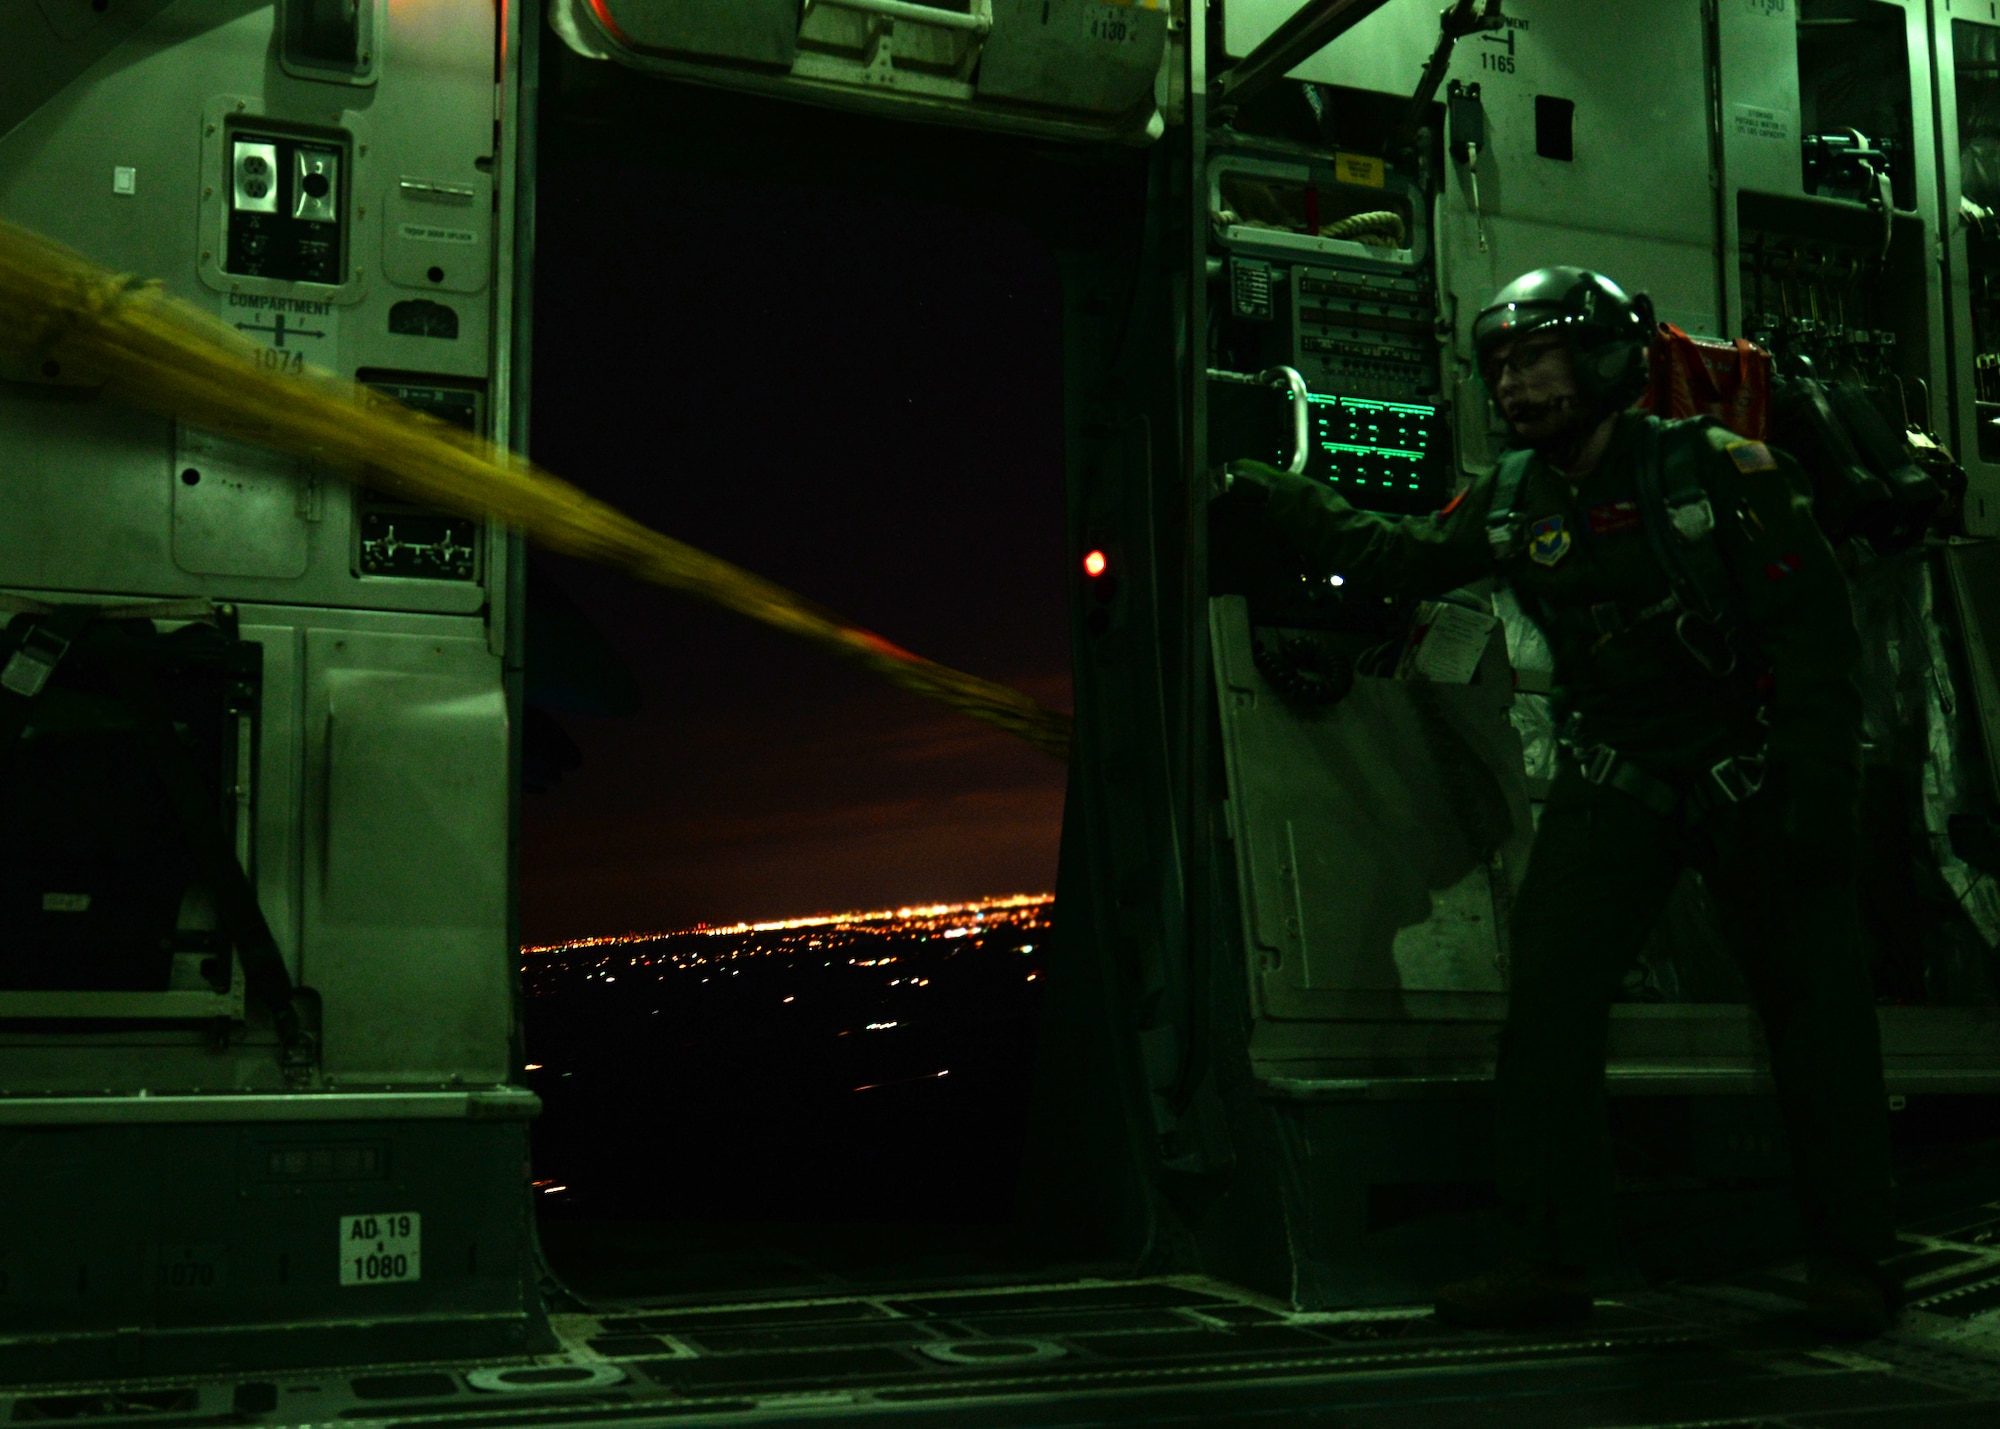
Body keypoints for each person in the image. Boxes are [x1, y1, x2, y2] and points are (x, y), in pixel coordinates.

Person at [1213, 267, 1903, 1339]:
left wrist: (1816, 784)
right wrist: (1277, 491)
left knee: (1814, 1016)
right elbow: (1393, 557)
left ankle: (1854, 1261)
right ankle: (1547, 1257)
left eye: (1534, 359)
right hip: (1619, 775)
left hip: (1751, 771)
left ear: (1603, 364)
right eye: (1499, 365)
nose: (1514, 384)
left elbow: (1812, 633)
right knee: (1546, 1008)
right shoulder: (1510, 497)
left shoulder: (1715, 469)